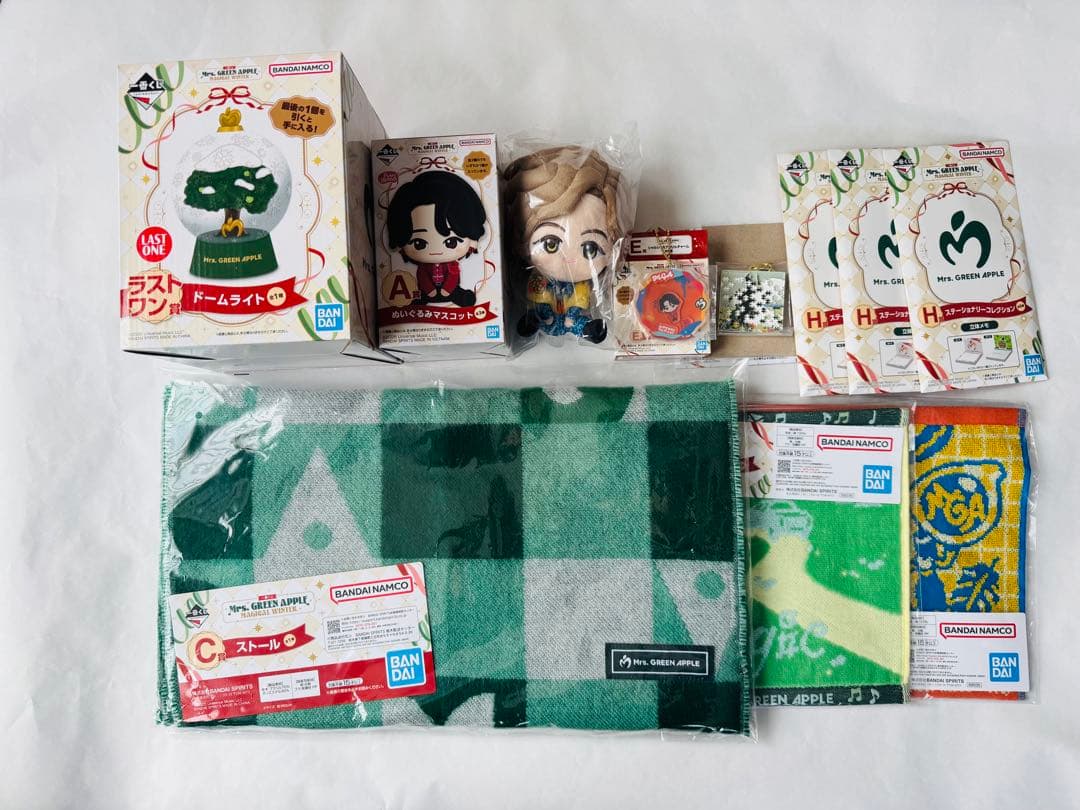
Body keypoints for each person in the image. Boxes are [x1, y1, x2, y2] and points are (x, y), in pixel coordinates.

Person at [386, 171, 486, 307]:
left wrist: (447, 290)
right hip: (427, 292)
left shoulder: (452, 265)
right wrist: (430, 290)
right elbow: (422, 277)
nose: (436, 251)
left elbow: (453, 277)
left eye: (451, 242)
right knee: (420, 296)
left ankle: (459, 296)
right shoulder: (423, 267)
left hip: (450, 291)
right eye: (419, 243)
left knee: (457, 293)